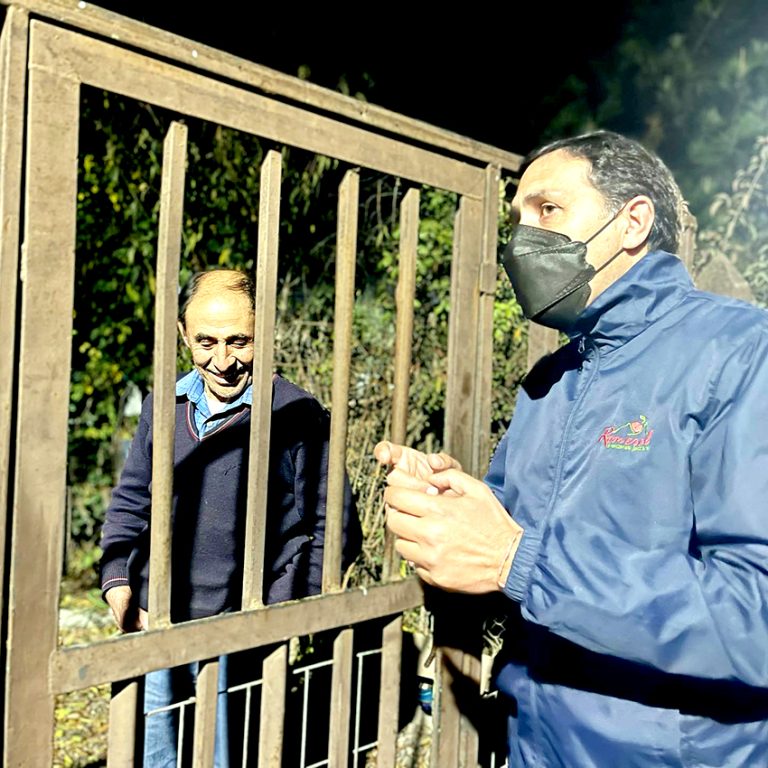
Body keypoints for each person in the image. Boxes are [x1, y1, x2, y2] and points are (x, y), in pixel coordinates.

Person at [375, 130, 768, 767]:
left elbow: (757, 616)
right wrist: (451, 503)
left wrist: (517, 559)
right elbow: (506, 543)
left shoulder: (743, 352)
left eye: (547, 210)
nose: (522, 239)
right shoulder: (549, 381)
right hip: (538, 744)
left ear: (632, 221)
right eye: (517, 219)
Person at [99, 268, 362, 767]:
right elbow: (131, 500)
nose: (222, 361)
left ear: (263, 333)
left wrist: (273, 612)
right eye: (205, 341)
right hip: (156, 622)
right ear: (182, 335)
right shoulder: (164, 405)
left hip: (241, 636)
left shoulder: (296, 415)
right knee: (153, 758)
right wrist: (117, 583)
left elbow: (337, 532)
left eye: (239, 341)